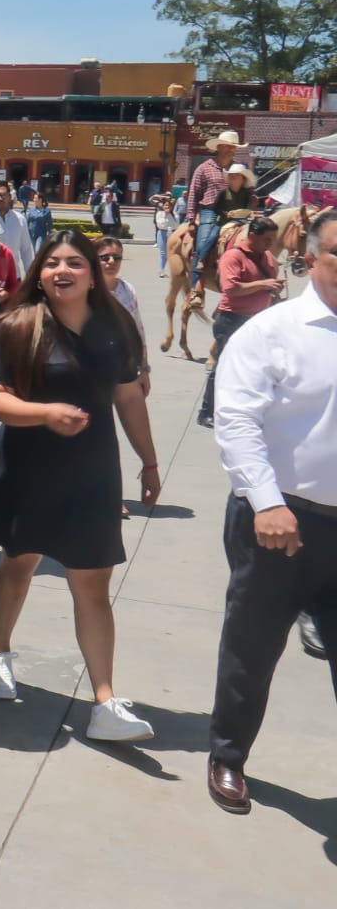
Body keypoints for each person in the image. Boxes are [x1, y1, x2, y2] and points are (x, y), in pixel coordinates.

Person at [0, 231, 162, 741]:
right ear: (40, 272)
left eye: (75, 263)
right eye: (52, 262)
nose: (63, 271)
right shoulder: (17, 325)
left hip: (93, 472)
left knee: (92, 583)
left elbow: (128, 398)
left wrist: (149, 461)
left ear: (93, 272)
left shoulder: (114, 326)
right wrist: (44, 412)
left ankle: (104, 702)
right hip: (28, 467)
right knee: (19, 562)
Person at [207, 207, 337, 814]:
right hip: (280, 524)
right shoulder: (272, 330)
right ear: (310, 257)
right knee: (252, 650)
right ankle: (228, 756)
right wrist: (266, 501)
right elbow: (237, 421)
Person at [197, 216, 282, 429]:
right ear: (252, 236)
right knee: (224, 366)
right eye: (266, 239)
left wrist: (274, 288)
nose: (270, 244)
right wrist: (264, 284)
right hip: (232, 319)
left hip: (259, 320)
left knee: (258, 368)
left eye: (273, 239)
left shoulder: (269, 257)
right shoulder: (233, 256)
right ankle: (207, 411)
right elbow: (231, 289)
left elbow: (267, 284)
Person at [95, 237, 151, 400]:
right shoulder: (85, 291)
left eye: (117, 257)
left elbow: (138, 330)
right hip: (93, 370)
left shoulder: (127, 289)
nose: (111, 261)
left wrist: (144, 370)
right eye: (105, 257)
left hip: (125, 367)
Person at [187, 129, 242, 292]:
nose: (231, 150)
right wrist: (191, 219)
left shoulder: (239, 169)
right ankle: (195, 288)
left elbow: (247, 189)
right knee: (203, 242)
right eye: (228, 146)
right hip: (209, 211)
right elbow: (193, 193)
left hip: (234, 212)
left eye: (233, 147)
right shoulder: (204, 168)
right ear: (219, 148)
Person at [0, 181, 35, 277]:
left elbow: (26, 250)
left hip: (14, 276)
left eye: (3, 195)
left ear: (10, 197)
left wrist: (31, 277)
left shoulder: (20, 219)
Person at [152, 195, 179, 277]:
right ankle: (162, 270)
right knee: (163, 253)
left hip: (172, 234)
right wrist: (165, 215)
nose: (167, 207)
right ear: (163, 206)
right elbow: (160, 224)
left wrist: (169, 217)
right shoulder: (159, 214)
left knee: (173, 253)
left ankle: (175, 270)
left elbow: (176, 225)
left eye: (168, 206)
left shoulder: (175, 215)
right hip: (162, 233)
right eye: (165, 205)